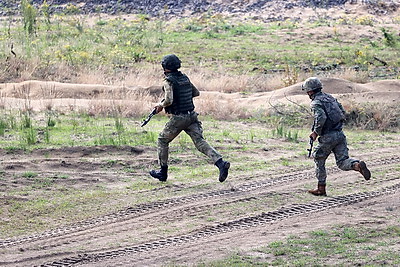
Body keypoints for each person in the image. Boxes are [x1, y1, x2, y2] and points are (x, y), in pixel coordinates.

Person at [149, 54, 230, 182]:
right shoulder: (184, 78)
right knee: (200, 142)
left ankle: (162, 173)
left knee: (162, 140)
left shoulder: (168, 81)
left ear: (165, 67)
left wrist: (160, 105)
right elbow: (196, 93)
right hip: (191, 115)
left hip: (179, 118)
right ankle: (220, 163)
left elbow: (169, 100)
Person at [302, 77, 371, 196]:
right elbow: (342, 112)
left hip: (328, 136)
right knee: (342, 161)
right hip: (339, 134)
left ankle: (321, 188)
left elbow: (321, 117)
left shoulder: (316, 103)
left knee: (319, 158)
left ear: (310, 91)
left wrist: (315, 132)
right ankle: (357, 165)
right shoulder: (330, 98)